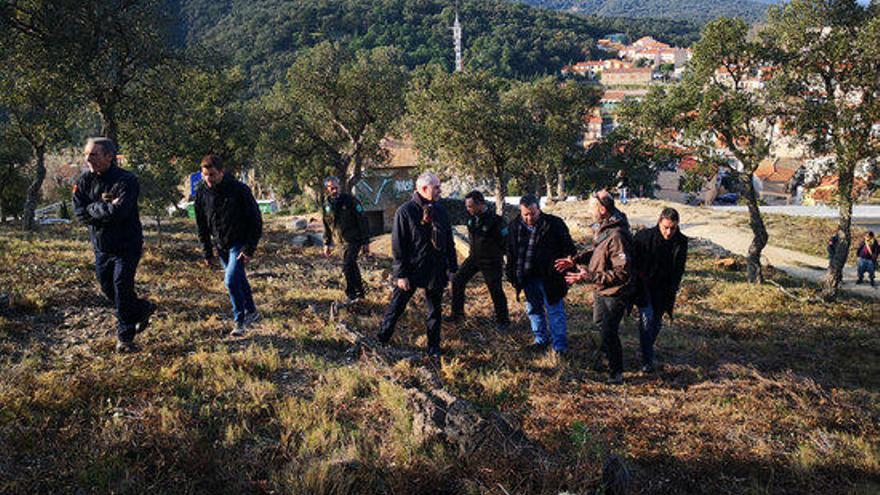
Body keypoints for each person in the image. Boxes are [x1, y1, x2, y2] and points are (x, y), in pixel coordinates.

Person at [73, 138, 154, 353]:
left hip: (127, 246)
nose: (88, 159)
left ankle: (125, 338)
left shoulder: (126, 180)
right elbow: (79, 213)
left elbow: (121, 212)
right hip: (101, 247)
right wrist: (105, 207)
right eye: (86, 154)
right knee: (108, 289)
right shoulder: (84, 181)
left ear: (109, 156)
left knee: (121, 286)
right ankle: (143, 308)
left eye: (93, 155)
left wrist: (95, 209)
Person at [557, 190, 633, 384]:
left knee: (609, 330)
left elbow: (622, 272)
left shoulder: (617, 235)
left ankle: (616, 372)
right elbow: (598, 250)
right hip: (601, 288)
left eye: (591, 207)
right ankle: (605, 359)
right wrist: (574, 260)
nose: (589, 211)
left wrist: (589, 275)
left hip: (615, 291)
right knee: (600, 324)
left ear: (602, 209)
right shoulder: (606, 227)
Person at [378, 172, 457, 357]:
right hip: (412, 269)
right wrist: (401, 274)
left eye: (439, 186)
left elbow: (449, 241)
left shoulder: (441, 210)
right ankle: (381, 339)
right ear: (423, 189)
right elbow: (398, 245)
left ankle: (433, 348)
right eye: (436, 187)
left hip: (436, 268)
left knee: (435, 311)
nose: (440, 190)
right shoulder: (405, 211)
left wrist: (452, 267)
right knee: (397, 306)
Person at [194, 154, 263, 336]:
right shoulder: (201, 192)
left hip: (239, 243)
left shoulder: (239, 190)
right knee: (239, 277)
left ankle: (239, 321)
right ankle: (252, 311)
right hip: (220, 244)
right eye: (205, 175)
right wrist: (207, 252)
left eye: (213, 175)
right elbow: (201, 225)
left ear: (222, 172)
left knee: (231, 280)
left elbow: (256, 220)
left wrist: (249, 248)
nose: (209, 179)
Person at [506, 194, 577, 354]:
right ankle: (540, 340)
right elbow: (510, 253)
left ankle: (560, 347)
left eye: (532, 213)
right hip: (527, 276)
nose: (529, 217)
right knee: (533, 309)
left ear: (539, 209)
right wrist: (511, 274)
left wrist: (569, 270)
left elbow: (569, 249)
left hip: (551, 277)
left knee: (555, 311)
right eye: (526, 214)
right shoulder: (514, 227)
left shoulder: (554, 224)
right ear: (520, 211)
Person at [632, 207, 688, 373]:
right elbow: (632, 262)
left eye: (673, 228)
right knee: (647, 318)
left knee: (656, 323)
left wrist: (674, 287)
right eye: (666, 227)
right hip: (644, 286)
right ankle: (647, 359)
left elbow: (679, 268)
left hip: (664, 289)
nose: (669, 231)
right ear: (659, 223)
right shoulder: (644, 237)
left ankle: (646, 349)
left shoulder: (681, 241)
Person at [447, 190, 510, 331]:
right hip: (474, 258)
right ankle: (457, 314)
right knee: (457, 280)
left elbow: (506, 242)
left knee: (495, 290)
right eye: (467, 206)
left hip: (491, 261)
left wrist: (503, 258)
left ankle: (503, 321)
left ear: (480, 204)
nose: (467, 209)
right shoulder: (471, 219)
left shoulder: (496, 221)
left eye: (470, 206)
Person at [322, 176, 371, 303]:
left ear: (340, 186)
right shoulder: (327, 205)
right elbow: (327, 225)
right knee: (352, 266)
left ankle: (351, 293)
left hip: (354, 239)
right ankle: (360, 293)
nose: (334, 190)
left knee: (348, 265)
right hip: (340, 242)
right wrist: (326, 243)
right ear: (327, 189)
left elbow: (363, 220)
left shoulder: (350, 201)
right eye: (331, 188)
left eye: (336, 187)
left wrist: (366, 242)